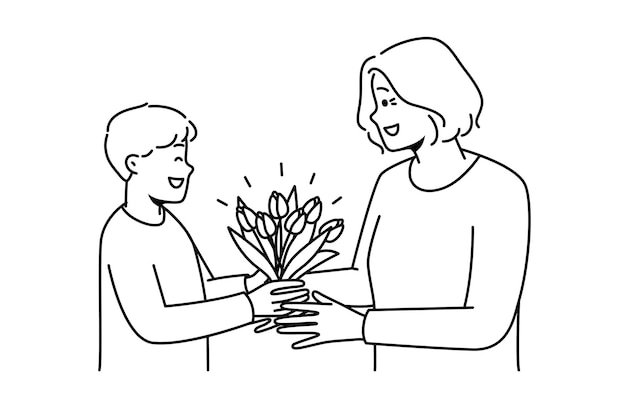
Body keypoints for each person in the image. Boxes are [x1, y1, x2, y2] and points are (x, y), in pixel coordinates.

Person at [276, 38, 530, 371]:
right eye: (378, 103)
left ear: (433, 96)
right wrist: (296, 286)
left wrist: (359, 327)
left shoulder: (499, 189)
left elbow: (487, 324)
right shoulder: (389, 183)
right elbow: (366, 281)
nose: (380, 116)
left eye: (391, 101)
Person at [99, 103, 307, 371]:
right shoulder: (123, 236)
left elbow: (196, 289)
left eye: (184, 159)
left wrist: (248, 283)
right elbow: (155, 324)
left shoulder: (172, 226)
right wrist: (251, 306)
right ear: (134, 163)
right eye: (175, 159)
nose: (187, 169)